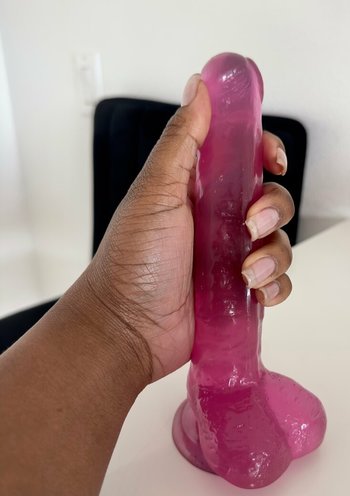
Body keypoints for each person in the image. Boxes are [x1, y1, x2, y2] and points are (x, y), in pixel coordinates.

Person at [0, 74, 295, 495]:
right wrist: (123, 320)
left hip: (241, 357)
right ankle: (218, 386)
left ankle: (244, 376)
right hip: (209, 370)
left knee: (307, 425)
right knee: (261, 461)